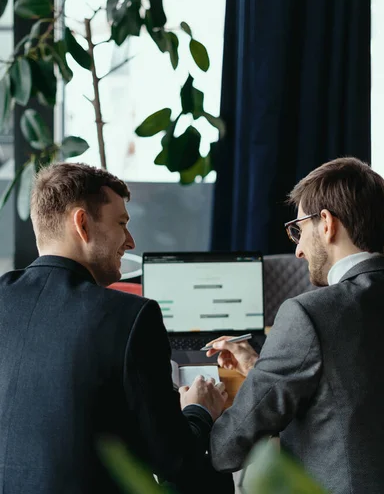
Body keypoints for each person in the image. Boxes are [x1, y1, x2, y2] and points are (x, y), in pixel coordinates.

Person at [0, 162, 233, 494]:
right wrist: (199, 409)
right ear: (82, 224)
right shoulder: (131, 316)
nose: (130, 241)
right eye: (122, 223)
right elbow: (172, 460)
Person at [207, 157, 384, 494]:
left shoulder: (310, 313)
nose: (298, 250)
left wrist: (196, 409)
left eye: (298, 229)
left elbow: (227, 449)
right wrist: (259, 367)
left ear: (326, 223)